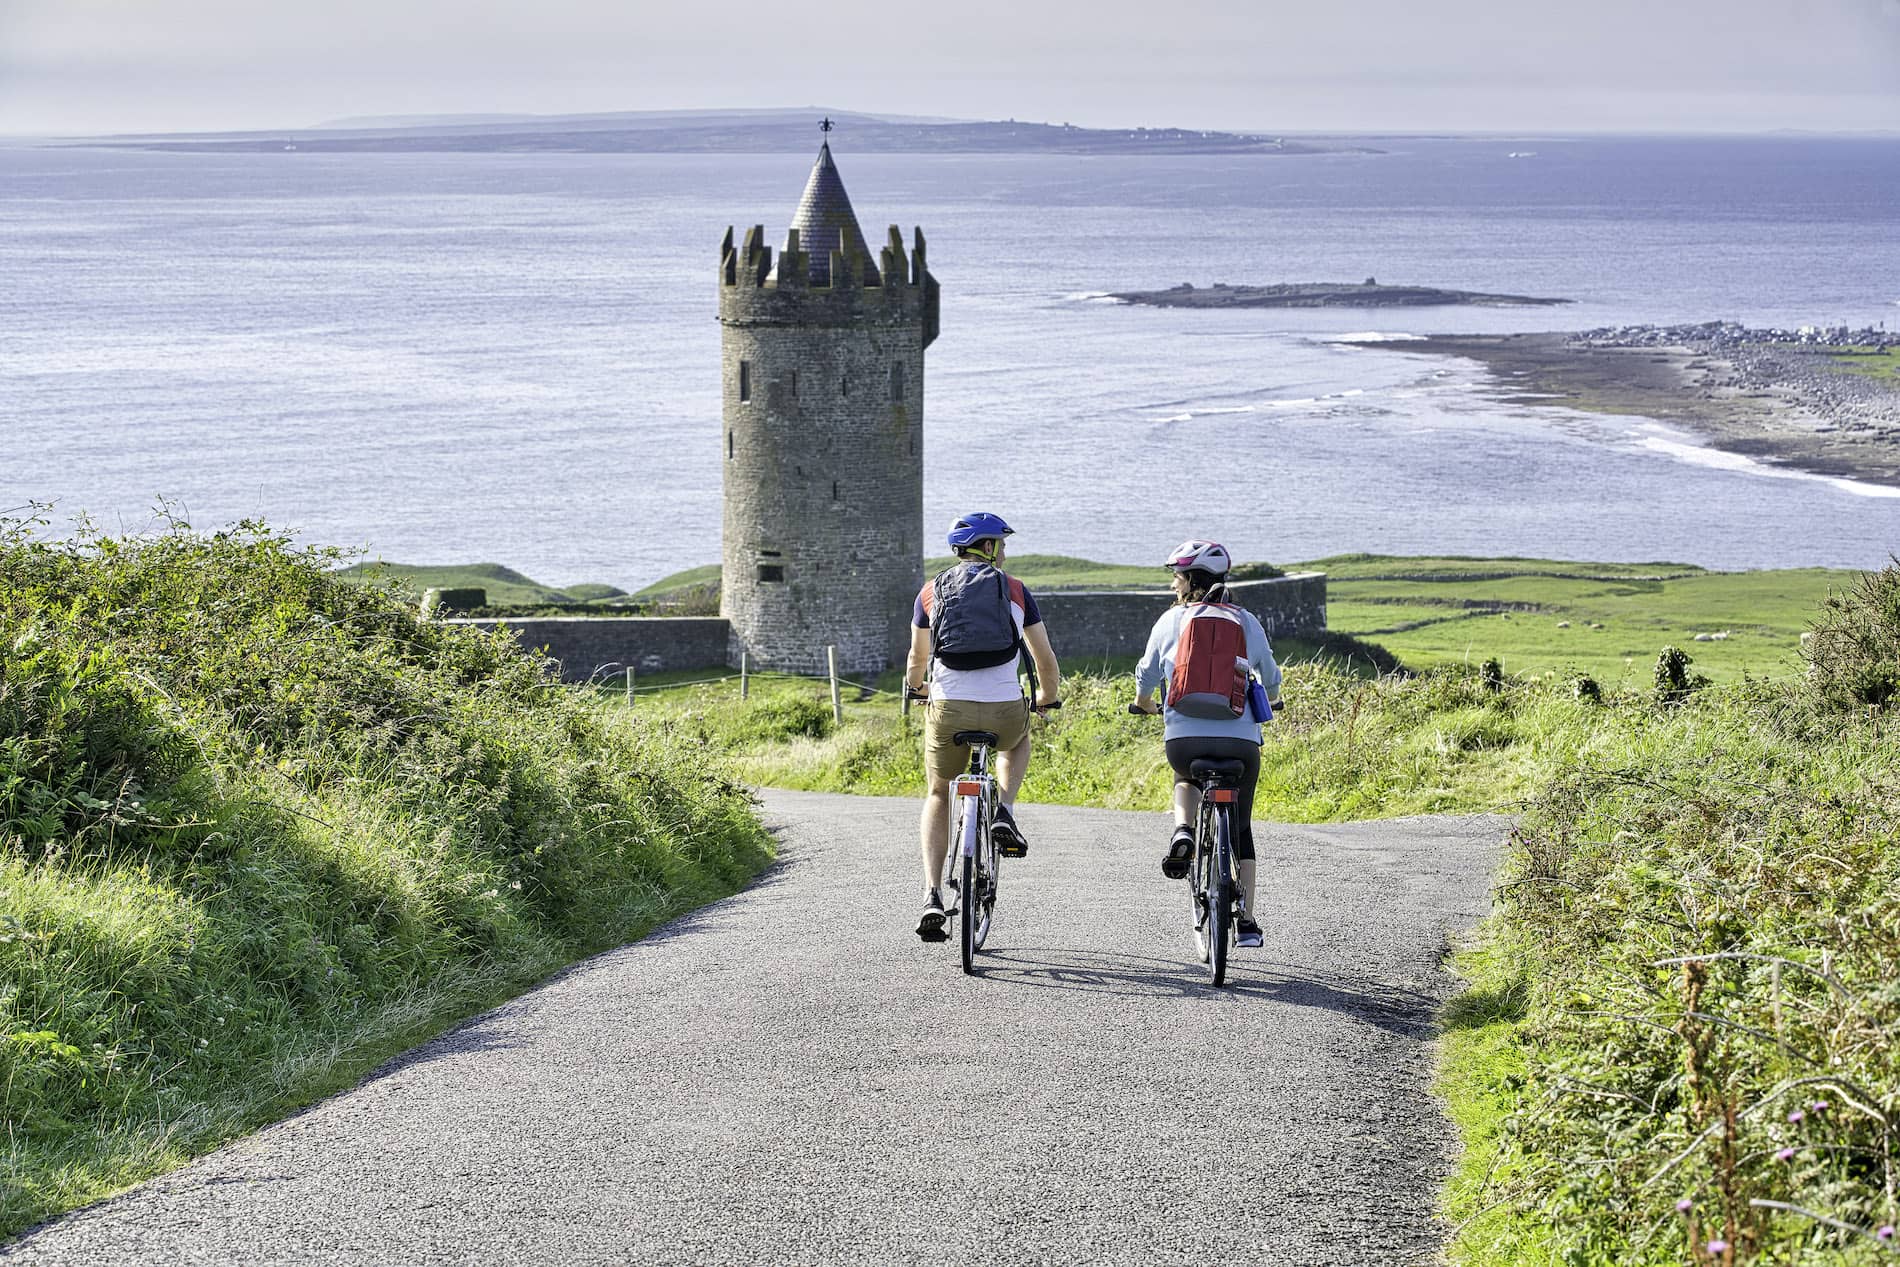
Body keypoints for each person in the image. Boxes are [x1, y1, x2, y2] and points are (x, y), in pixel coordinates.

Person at [904, 512, 1061, 940]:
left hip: (948, 710)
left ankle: (932, 893)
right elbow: (1044, 661)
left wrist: (916, 688)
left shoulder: (930, 593)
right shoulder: (1015, 590)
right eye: (1001, 544)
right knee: (1019, 739)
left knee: (939, 791)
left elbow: (918, 660)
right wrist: (1046, 699)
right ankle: (1005, 810)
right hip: (1004, 712)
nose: (1005, 552)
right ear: (987, 547)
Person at [1132, 539, 1281, 950]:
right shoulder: (1245, 620)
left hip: (1185, 738)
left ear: (1189, 580)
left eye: (1176, 577)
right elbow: (1269, 673)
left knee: (1185, 774)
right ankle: (1247, 922)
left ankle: (1184, 828)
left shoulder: (1171, 620)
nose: (1173, 585)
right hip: (1240, 742)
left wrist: (1144, 703)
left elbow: (1146, 673)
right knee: (1243, 829)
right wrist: (1274, 695)